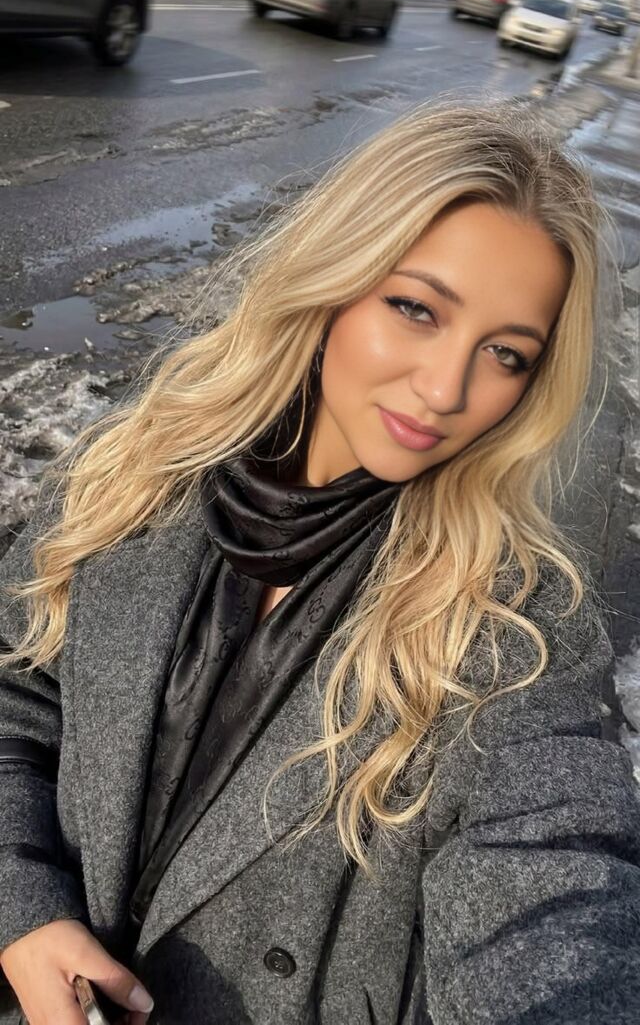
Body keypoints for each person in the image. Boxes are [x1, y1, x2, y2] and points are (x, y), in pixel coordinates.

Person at [0, 99, 639, 1025]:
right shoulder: (136, 474)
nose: (446, 389)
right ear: (335, 279)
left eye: (505, 353)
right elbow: (17, 689)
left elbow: (556, 893)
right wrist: (23, 907)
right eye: (416, 309)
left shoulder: (513, 625)